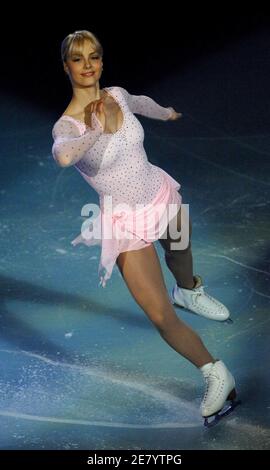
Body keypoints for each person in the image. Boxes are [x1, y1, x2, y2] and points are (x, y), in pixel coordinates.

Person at [51, 30, 240, 425]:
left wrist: (166, 112)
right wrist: (97, 129)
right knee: (158, 314)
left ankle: (189, 291)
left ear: (102, 61)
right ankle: (215, 372)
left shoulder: (117, 94)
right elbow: (65, 157)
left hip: (160, 191)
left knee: (181, 257)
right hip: (124, 222)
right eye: (79, 59)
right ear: (66, 66)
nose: (88, 66)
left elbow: (141, 103)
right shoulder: (67, 126)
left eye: (95, 57)